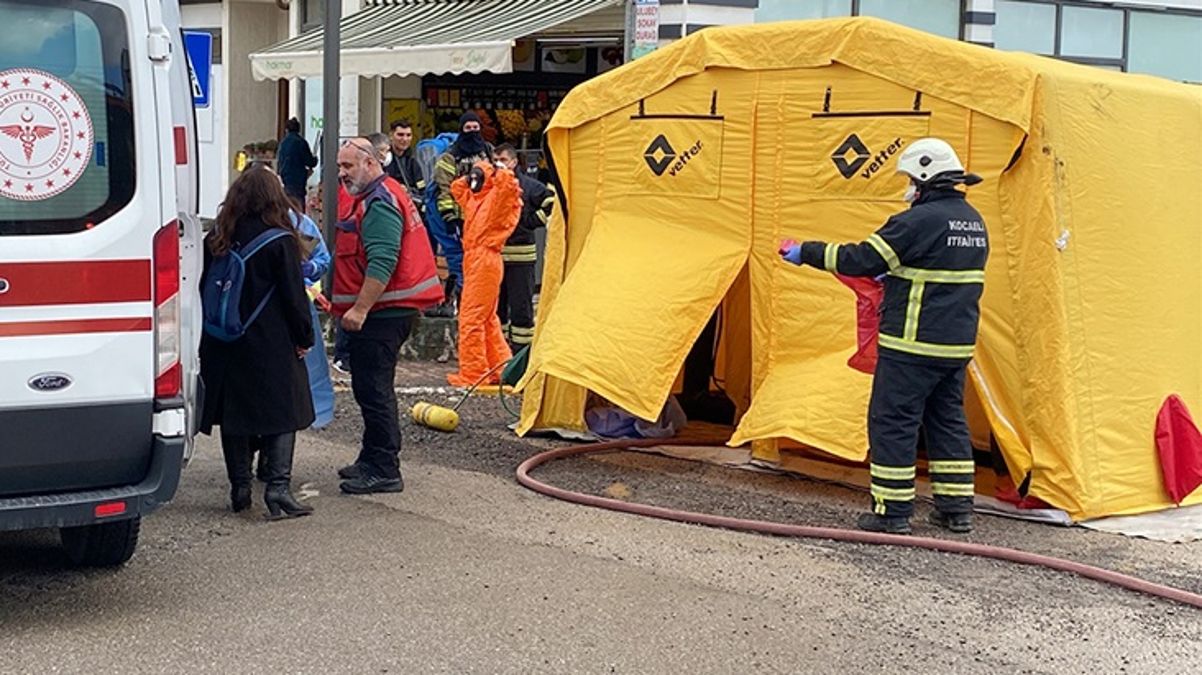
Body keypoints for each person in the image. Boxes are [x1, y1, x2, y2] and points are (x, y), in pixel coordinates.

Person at [779, 138, 988, 535]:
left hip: (911, 343)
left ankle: (891, 511)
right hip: (955, 345)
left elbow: (861, 258)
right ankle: (956, 508)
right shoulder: (973, 220)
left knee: (893, 421)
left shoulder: (916, 221)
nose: (907, 186)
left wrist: (805, 251)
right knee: (946, 421)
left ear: (925, 176)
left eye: (910, 178)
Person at [199, 167, 315, 520]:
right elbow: (294, 297)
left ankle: (240, 488)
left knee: (235, 415)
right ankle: (278, 490)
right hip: (271, 340)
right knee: (284, 413)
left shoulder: (217, 236)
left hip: (223, 339)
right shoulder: (280, 240)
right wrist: (304, 337)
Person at [332, 137, 442, 494]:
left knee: (375, 390)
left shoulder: (378, 202)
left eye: (348, 166)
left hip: (382, 314)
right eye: (339, 166)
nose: (342, 173)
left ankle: (383, 468)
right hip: (386, 311)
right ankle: (371, 457)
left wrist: (360, 308)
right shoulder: (380, 195)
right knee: (369, 389)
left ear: (370, 163)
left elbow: (382, 260)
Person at [446, 160, 522, 388]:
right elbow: (456, 189)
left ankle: (474, 374)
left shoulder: (498, 199)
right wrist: (472, 175)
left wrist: (497, 170)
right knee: (487, 318)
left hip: (485, 259)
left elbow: (509, 187)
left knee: (471, 318)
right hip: (476, 259)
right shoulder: (477, 198)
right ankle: (501, 367)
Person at [431, 112, 494, 317]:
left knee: (478, 262)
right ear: (461, 130)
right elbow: (444, 188)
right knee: (458, 260)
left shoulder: (488, 152)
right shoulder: (449, 157)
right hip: (458, 219)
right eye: (468, 128)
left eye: (476, 128)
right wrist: (450, 218)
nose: (473, 132)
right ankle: (460, 304)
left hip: (482, 219)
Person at [493, 144, 555, 351]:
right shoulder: (492, 186)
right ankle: (500, 354)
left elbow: (551, 201)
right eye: (495, 160)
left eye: (502, 159)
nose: (498, 164)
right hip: (496, 258)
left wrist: (530, 221)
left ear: (513, 162)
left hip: (521, 257)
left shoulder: (529, 186)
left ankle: (521, 355)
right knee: (497, 310)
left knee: (521, 310)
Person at [383, 119, 426, 211]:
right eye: (400, 135)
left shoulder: (413, 162)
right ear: (391, 136)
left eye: (408, 135)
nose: (405, 139)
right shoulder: (383, 159)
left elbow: (422, 191)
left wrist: (409, 191)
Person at [275, 117, 316, 209]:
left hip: (286, 179)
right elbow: (310, 161)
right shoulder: (301, 142)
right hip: (298, 180)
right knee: (298, 205)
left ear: (286, 130)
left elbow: (280, 161)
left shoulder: (283, 143)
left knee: (288, 205)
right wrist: (315, 159)